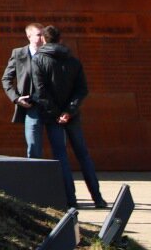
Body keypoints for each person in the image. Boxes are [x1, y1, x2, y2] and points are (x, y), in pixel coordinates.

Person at [33, 24, 108, 210]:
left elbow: (40, 91)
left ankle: (71, 200)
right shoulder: (73, 61)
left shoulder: (39, 60)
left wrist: (57, 113)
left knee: (61, 156)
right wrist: (69, 111)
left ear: (43, 39)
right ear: (61, 39)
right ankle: (97, 197)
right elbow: (82, 89)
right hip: (72, 116)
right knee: (83, 155)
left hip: (53, 116)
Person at [1, 23, 47, 149]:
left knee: (59, 145)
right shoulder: (18, 53)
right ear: (29, 36)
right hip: (31, 105)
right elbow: (6, 79)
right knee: (33, 146)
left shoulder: (50, 53)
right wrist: (16, 98)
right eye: (39, 35)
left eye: (44, 34)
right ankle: (35, 169)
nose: (43, 38)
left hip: (50, 105)